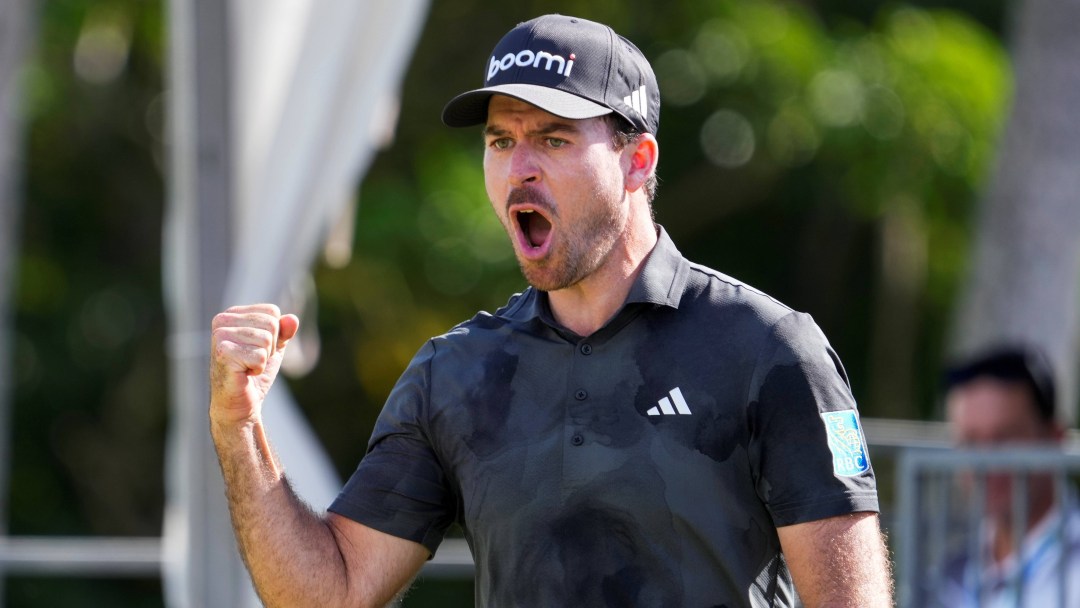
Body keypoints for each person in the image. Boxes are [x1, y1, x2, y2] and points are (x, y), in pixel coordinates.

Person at [209, 14, 893, 607]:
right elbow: (326, 594)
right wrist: (241, 431)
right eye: (501, 141)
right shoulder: (456, 375)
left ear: (636, 160)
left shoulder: (768, 349)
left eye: (554, 138)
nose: (519, 169)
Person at [928, 345, 1080, 607]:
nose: (987, 462)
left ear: (1054, 439)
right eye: (971, 441)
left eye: (1006, 438)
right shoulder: (949, 574)